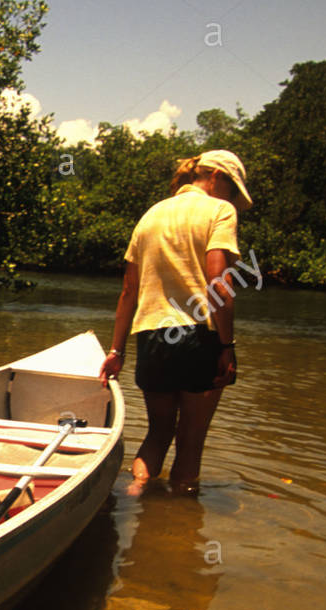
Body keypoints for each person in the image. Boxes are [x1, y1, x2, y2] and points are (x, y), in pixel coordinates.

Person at [99, 149, 252, 495]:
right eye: (232, 190)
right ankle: (178, 528)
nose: (232, 200)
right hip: (199, 336)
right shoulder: (219, 210)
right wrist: (227, 347)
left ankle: (135, 494)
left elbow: (128, 291)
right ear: (216, 178)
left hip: (152, 336)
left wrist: (116, 350)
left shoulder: (151, 215)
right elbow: (217, 281)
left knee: (158, 433)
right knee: (191, 440)